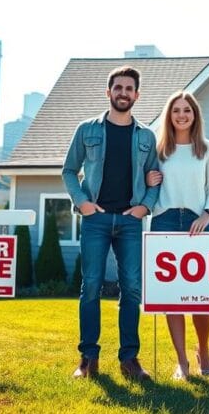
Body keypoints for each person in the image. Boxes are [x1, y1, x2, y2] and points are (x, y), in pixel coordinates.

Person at [62, 65, 160, 381]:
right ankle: (88, 358)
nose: (123, 93)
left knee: (131, 288)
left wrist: (145, 207)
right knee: (90, 285)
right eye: (117, 87)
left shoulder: (146, 135)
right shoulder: (86, 130)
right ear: (109, 92)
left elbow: (155, 177)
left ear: (136, 95)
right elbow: (68, 171)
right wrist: (83, 204)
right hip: (96, 220)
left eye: (129, 88)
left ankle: (129, 359)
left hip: (131, 220)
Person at [146, 90, 209, 380]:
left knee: (201, 296)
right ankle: (182, 362)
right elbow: (147, 187)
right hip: (164, 222)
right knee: (171, 297)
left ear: (194, 114)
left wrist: (207, 214)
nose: (181, 114)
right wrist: (147, 179)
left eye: (186, 110)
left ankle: (203, 350)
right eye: (176, 110)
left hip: (197, 223)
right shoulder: (158, 150)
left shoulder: (207, 148)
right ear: (169, 114)